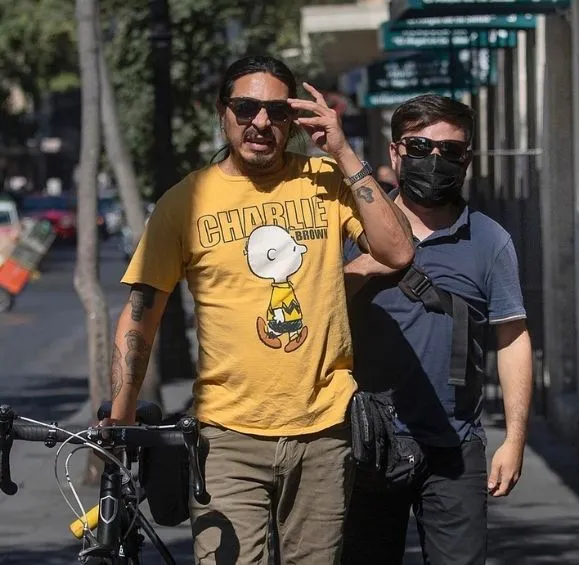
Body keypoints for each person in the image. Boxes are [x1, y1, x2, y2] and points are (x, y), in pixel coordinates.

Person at [105, 55, 414, 565]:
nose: (262, 123)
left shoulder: (325, 180)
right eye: (246, 107)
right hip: (226, 440)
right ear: (223, 112)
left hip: (323, 430)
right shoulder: (185, 202)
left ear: (293, 119)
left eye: (276, 110)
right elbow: (141, 315)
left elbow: (398, 251)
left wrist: (342, 150)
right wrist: (118, 423)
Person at [340, 94, 533, 565]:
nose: (434, 160)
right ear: (395, 153)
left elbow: (512, 338)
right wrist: (360, 271)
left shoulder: (489, 239)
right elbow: (314, 325)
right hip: (366, 444)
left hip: (455, 447)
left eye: (450, 152)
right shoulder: (349, 229)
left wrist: (515, 437)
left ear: (466, 159)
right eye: (420, 147)